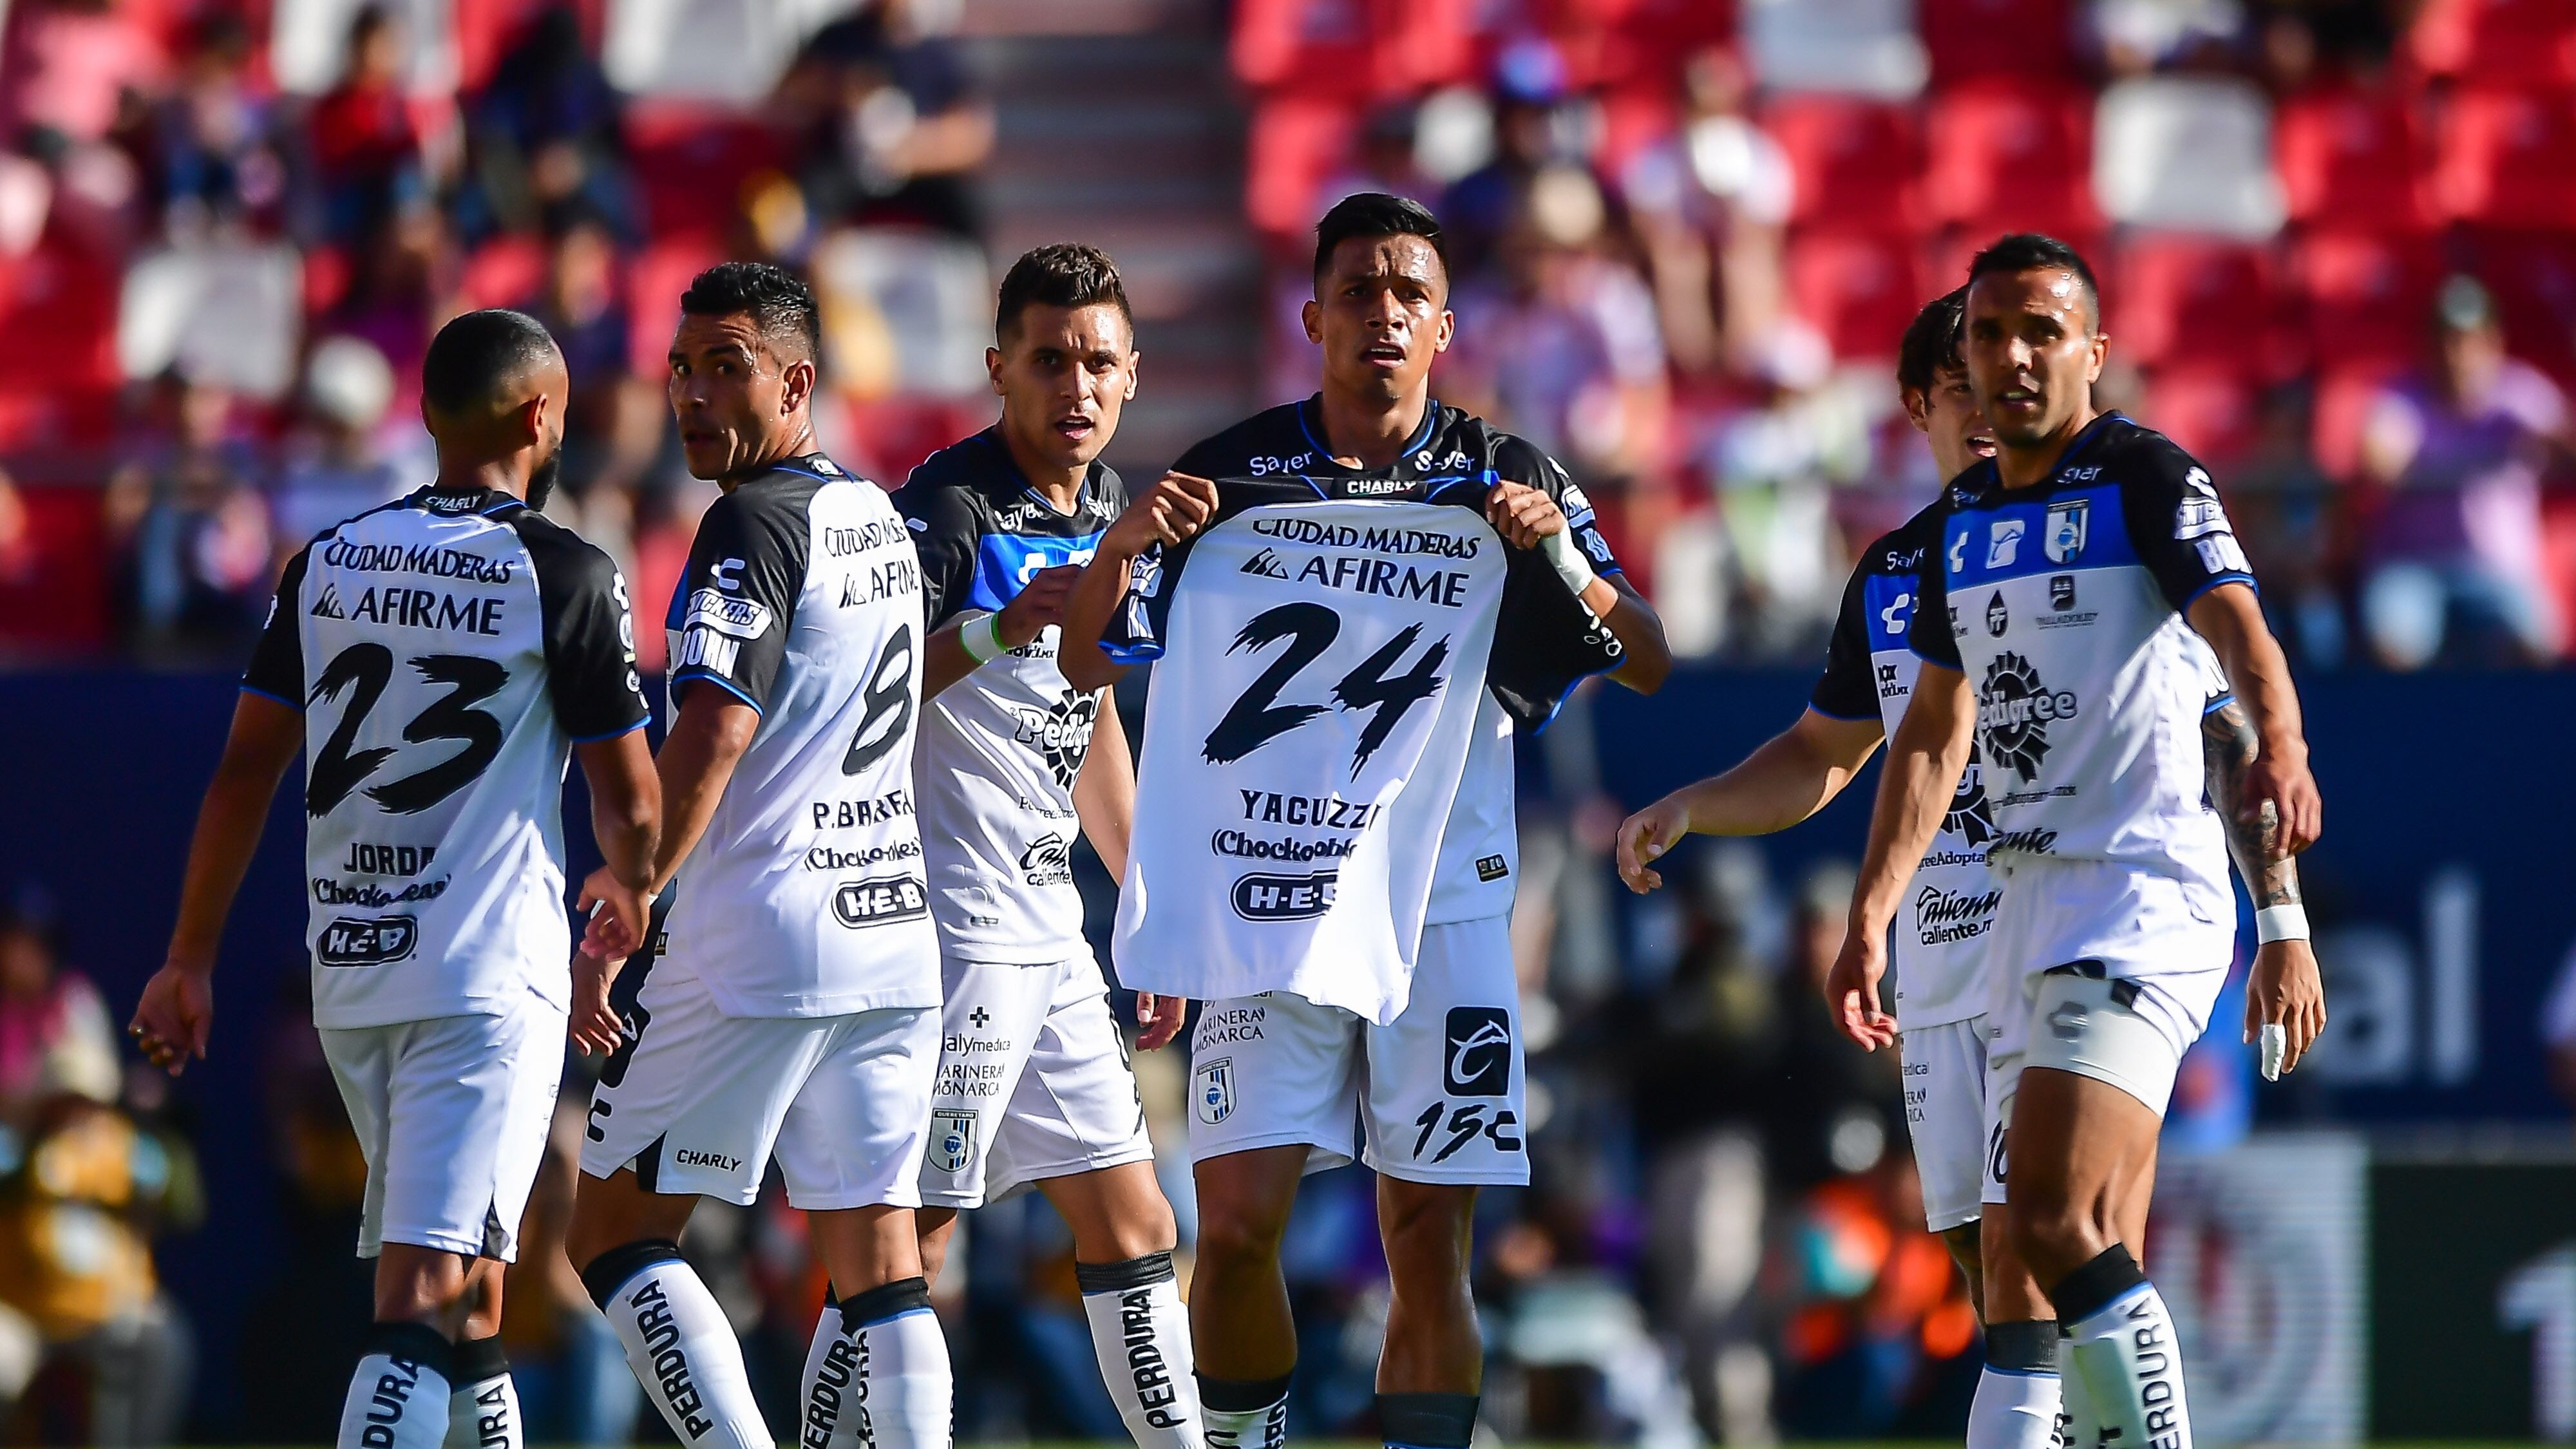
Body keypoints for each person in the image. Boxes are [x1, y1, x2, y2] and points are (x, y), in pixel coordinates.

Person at [1058, 192, 1669, 1449]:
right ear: (1312, 317)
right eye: (1356, 291)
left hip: (1443, 899)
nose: (1380, 312)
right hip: (1265, 893)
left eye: (1407, 294)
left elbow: (1647, 658)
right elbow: (1085, 665)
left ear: (1443, 326)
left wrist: (1563, 557)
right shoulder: (1227, 477)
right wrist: (1123, 542)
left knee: (1424, 1240)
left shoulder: (1509, 477)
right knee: (1229, 1234)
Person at [1824, 234, 2327, 1449]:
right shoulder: (1959, 533)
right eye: (1990, 334)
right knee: (2027, 1261)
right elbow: (1931, 747)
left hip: (2144, 895)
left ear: (2094, 352)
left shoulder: (2145, 476)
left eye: (2042, 332)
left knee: (2045, 1220)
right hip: (2026, 911)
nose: (2012, 356)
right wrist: (1868, 918)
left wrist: (2286, 754)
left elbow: (2240, 635)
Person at [129, 308, 661, 1449]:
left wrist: (188, 956)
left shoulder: (323, 565)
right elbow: (635, 803)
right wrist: (632, 897)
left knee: (476, 1296)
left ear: (423, 416)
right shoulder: (563, 570)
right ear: (542, 417)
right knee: (422, 1294)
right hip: (484, 980)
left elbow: (239, 778)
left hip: (359, 978)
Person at [1617, 289, 2072, 1447]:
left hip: (2066, 928)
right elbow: (1825, 754)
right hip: (1942, 957)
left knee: (2053, 1239)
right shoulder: (1888, 575)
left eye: (1999, 380)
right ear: (1918, 406)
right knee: (1984, 1254)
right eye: (1956, 387)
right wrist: (1695, 804)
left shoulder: (2091, 535)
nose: (1985, 405)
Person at [562, 261, 951, 1449]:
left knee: (612, 1232)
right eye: (681, 368)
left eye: (724, 368)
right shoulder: (875, 512)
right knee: (882, 1268)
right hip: (892, 934)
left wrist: (630, 891)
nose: (692, 395)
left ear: (795, 381)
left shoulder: (750, 522)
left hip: (761, 937)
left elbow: (716, 728)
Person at [870, 242, 1204, 1449]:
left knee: (1135, 1224)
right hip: (951, 936)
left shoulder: (1110, 509)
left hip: (1051, 933)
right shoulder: (946, 510)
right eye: (1050, 359)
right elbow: (863, 696)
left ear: (1131, 377)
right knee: (912, 1241)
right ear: (998, 366)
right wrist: (995, 626)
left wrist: (1144, 904)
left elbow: (1095, 714)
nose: (1076, 387)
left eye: (1099, 363)